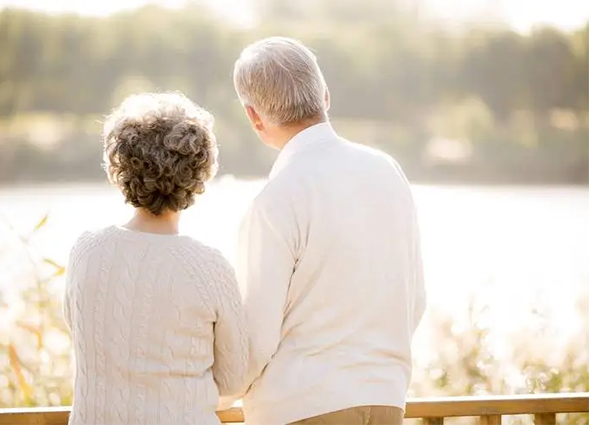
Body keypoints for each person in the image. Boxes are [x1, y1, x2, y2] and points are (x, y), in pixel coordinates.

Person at [231, 37, 427, 425]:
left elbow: (254, 339)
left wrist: (214, 391)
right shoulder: (387, 171)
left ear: (254, 117)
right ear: (325, 95)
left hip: (301, 407)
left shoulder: (275, 199)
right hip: (387, 399)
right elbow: (415, 299)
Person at [63, 92, 248, 425]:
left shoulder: (85, 252)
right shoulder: (209, 267)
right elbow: (234, 380)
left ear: (119, 166)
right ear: (199, 172)